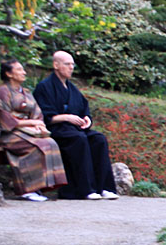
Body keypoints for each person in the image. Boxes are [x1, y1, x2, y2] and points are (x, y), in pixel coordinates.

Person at [32, 51, 118, 200]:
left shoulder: (72, 88)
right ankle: (85, 189)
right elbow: (43, 116)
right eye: (67, 64)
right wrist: (65, 117)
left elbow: (84, 108)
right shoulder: (44, 87)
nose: (71, 67)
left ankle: (104, 187)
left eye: (72, 64)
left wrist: (87, 120)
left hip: (74, 129)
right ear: (56, 65)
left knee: (98, 139)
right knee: (79, 139)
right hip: (56, 130)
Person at [0, 60, 68, 202]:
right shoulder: (2, 92)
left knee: (50, 143)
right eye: (19, 69)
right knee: (38, 146)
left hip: (26, 131)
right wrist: (30, 122)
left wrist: (39, 125)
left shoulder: (27, 92)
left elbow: (37, 114)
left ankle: (39, 187)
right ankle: (26, 190)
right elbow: (4, 118)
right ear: (9, 74)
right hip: (6, 133)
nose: (24, 72)